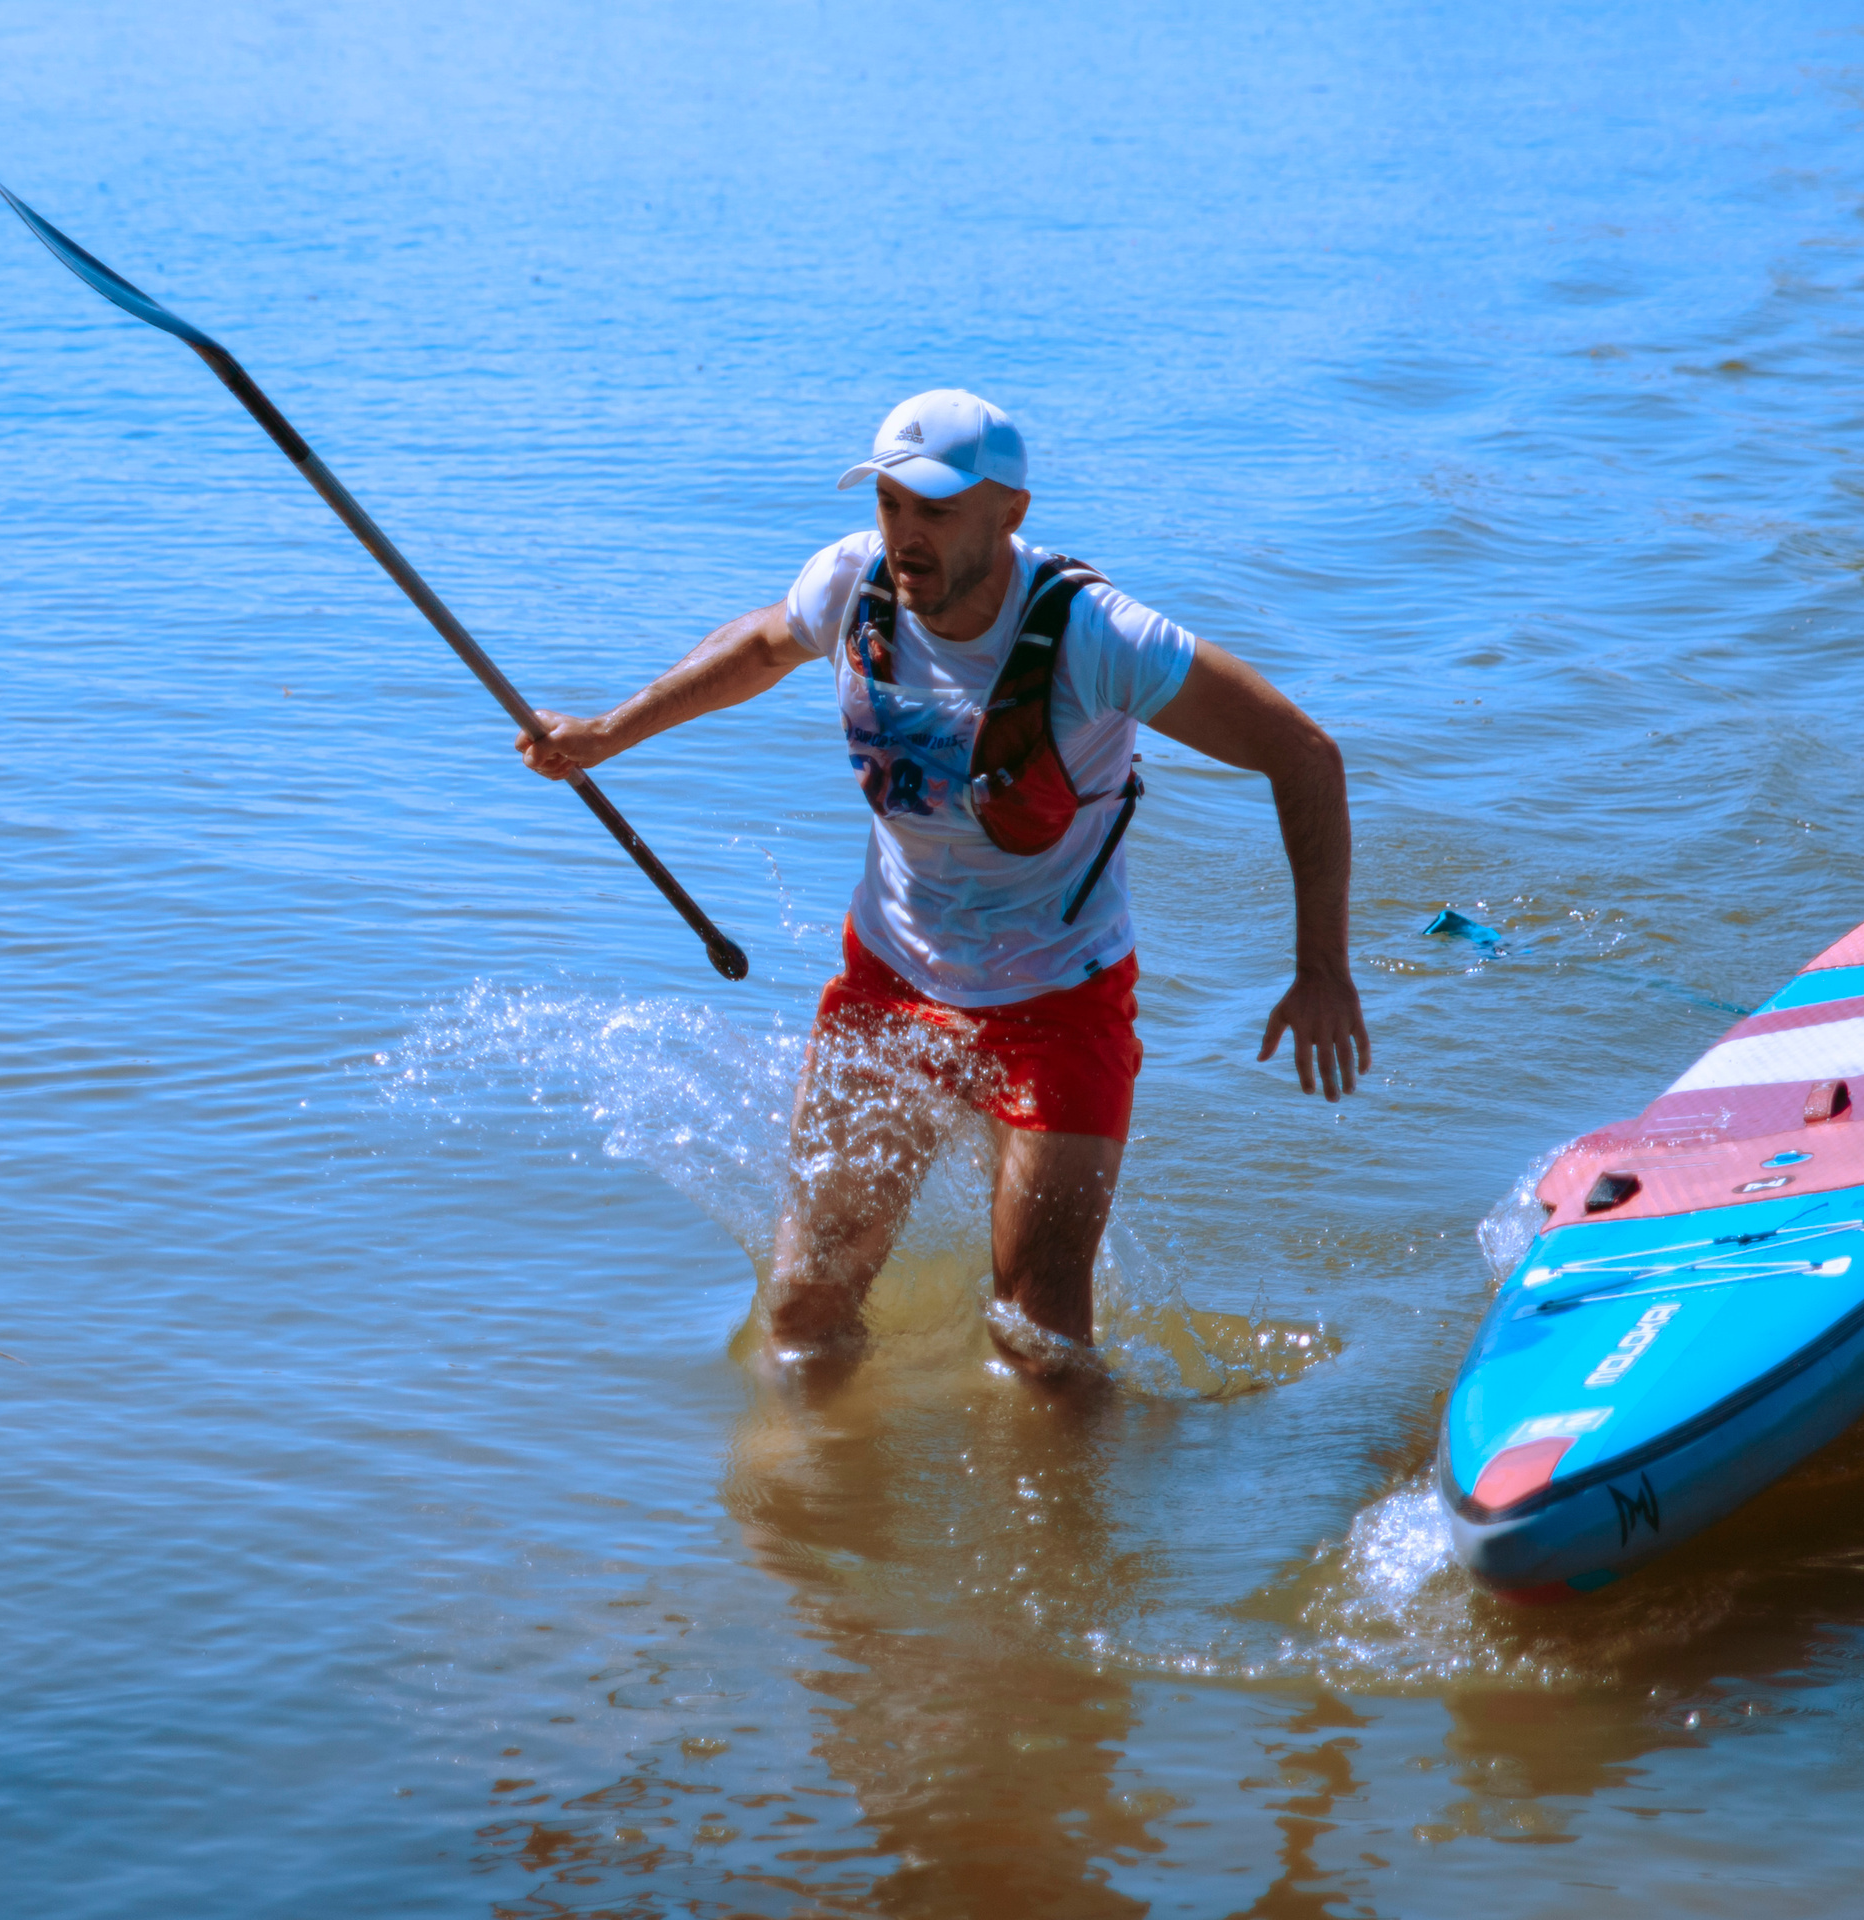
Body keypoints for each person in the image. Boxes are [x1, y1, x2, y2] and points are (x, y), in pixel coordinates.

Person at [518, 389, 1367, 1380]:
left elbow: (1303, 754)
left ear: (1010, 512)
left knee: (1038, 1345)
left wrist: (1321, 970)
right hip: (889, 985)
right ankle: (810, 1524)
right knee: (802, 1318)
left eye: (935, 510)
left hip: (1058, 999)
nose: (905, 536)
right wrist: (608, 735)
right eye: (890, 505)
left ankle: (1080, 1528)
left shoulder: (1097, 635)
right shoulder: (851, 582)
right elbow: (761, 644)